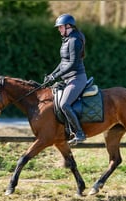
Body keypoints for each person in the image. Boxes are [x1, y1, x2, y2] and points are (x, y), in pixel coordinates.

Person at [44, 14, 87, 145]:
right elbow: (63, 62)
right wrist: (52, 75)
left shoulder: (74, 40)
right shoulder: (67, 40)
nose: (59, 29)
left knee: (64, 104)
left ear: (68, 26)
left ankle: (80, 133)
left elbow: (73, 63)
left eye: (60, 27)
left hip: (77, 78)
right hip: (68, 78)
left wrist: (55, 76)